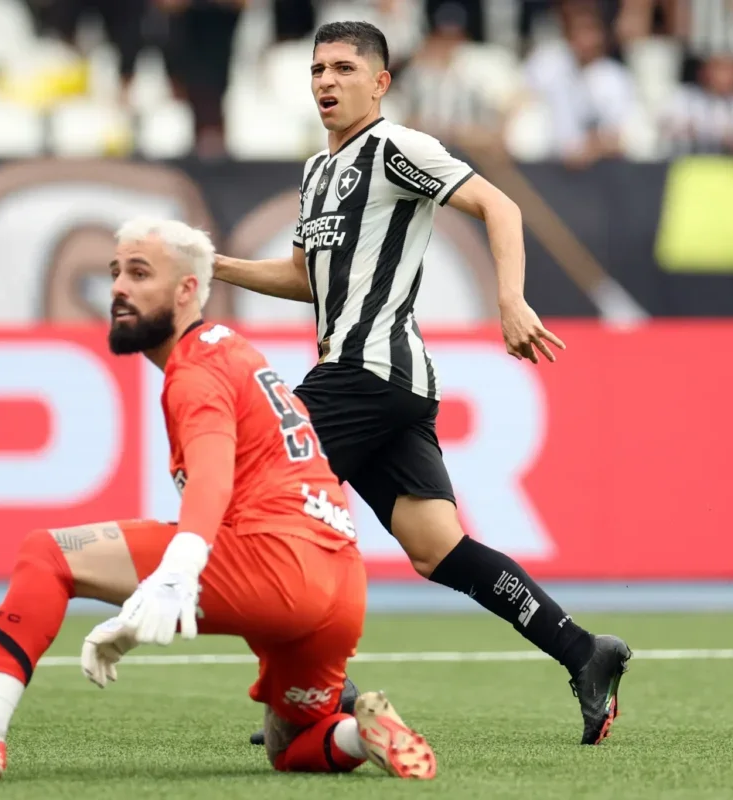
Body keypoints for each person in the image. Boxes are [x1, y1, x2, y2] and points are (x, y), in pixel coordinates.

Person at [0, 218, 437, 781]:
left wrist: (176, 574)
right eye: (116, 272)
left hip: (277, 562)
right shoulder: (234, 354)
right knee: (291, 745)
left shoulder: (196, 370)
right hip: (339, 582)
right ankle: (364, 735)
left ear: (188, 289)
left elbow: (214, 477)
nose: (119, 287)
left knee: (46, 554)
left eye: (140, 273)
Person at [212, 21, 631, 748]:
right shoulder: (318, 172)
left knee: (258, 502)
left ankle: (311, 689)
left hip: (365, 372)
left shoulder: (396, 148)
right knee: (437, 547)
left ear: (380, 82)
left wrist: (511, 299)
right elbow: (306, 279)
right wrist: (212, 266)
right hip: (388, 385)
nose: (325, 82)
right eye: (317, 69)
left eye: (344, 68)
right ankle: (584, 653)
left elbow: (500, 206)